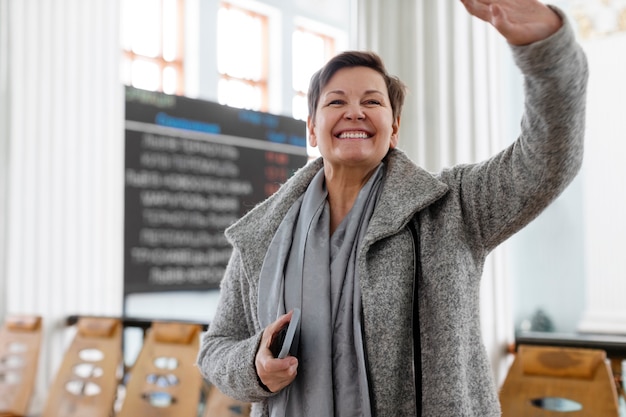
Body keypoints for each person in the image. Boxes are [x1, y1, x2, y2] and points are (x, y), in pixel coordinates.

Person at [196, 0, 588, 415]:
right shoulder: (264, 235)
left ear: (394, 128)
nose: (354, 112)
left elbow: (546, 161)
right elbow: (216, 348)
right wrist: (254, 365)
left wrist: (546, 51)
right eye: (335, 102)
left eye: (372, 101)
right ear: (312, 128)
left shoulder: (452, 206)